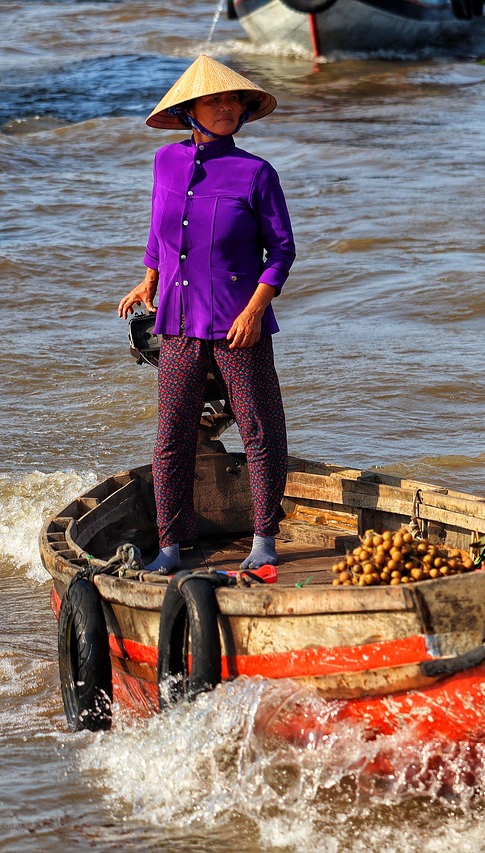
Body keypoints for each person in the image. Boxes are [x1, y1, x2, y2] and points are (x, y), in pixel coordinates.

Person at [118, 55, 295, 574]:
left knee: (260, 429)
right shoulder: (165, 163)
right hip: (176, 321)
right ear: (190, 110)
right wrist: (150, 277)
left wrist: (256, 309)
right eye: (215, 100)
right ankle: (171, 545)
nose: (226, 108)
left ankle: (264, 537)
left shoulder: (257, 173)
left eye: (233, 100)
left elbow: (281, 251)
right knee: (172, 435)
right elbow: (159, 230)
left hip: (240, 325)